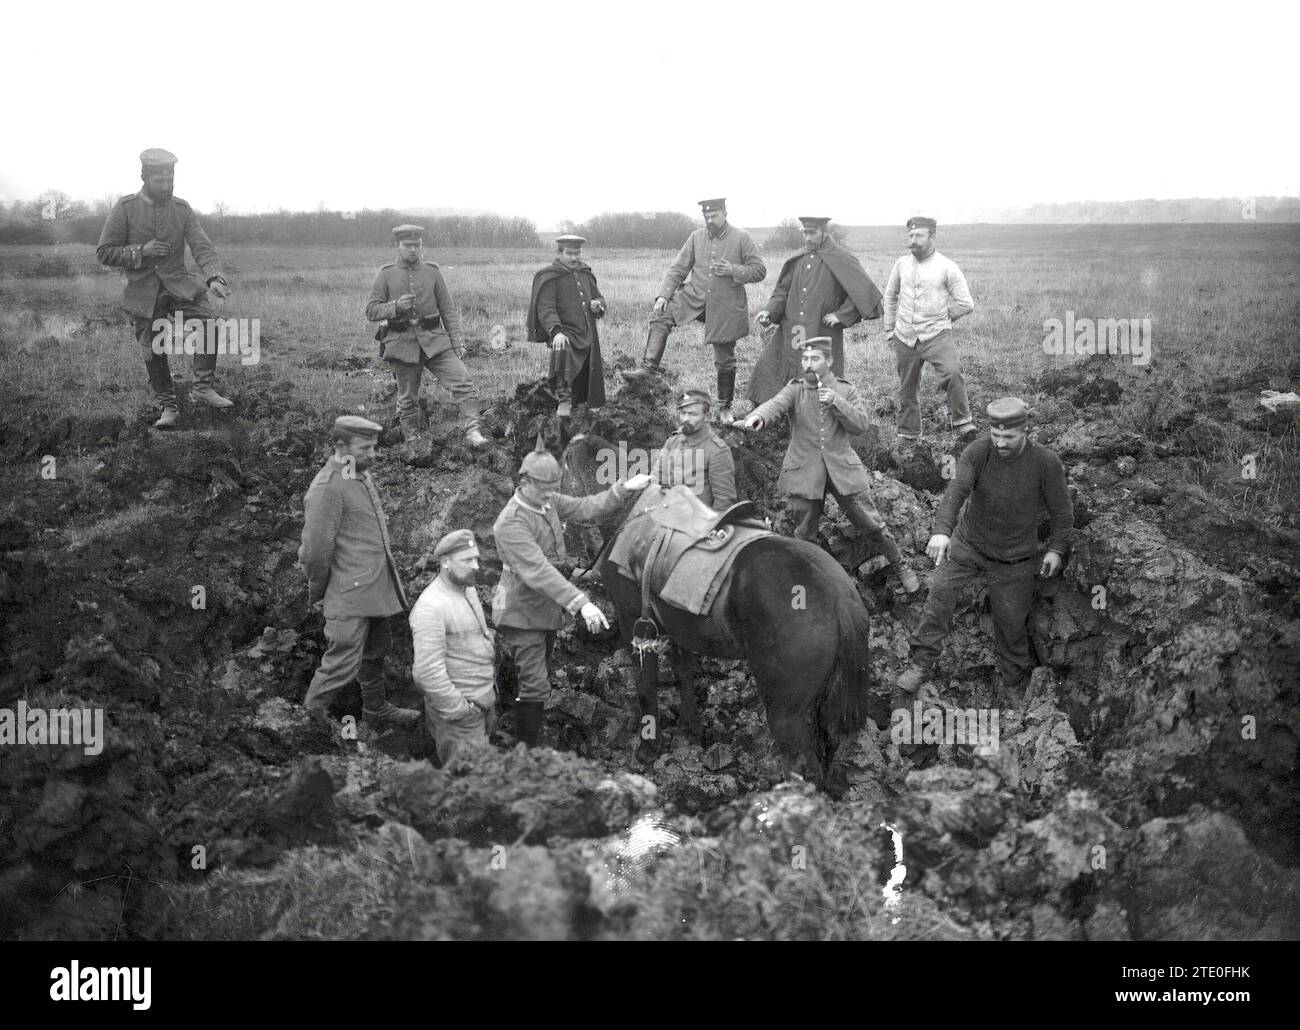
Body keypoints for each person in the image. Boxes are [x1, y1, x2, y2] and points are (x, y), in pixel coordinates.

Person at [897, 398, 1074, 701]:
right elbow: (957, 491)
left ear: (1025, 432)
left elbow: (1063, 512)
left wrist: (1056, 549)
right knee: (939, 593)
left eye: (1009, 437)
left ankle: (1013, 683)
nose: (1001, 443)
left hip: (1015, 559)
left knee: (1011, 625)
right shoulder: (978, 451)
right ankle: (921, 663)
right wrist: (942, 532)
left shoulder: (1045, 462)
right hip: (969, 545)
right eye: (996, 435)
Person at [492, 445, 652, 745]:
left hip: (546, 604)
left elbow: (586, 507)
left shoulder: (546, 501)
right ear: (525, 482)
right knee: (536, 684)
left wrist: (623, 488)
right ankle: (528, 751)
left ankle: (510, 701)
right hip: (520, 609)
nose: (550, 495)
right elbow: (538, 571)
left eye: (554, 489)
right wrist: (582, 604)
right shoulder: (510, 523)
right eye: (545, 489)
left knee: (538, 666)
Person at [741, 338, 918, 593]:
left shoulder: (846, 390)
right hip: (805, 472)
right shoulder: (796, 389)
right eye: (805, 359)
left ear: (829, 361)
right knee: (803, 531)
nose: (809, 364)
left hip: (842, 471)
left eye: (815, 359)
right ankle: (808, 580)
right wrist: (758, 416)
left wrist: (836, 401)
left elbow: (861, 425)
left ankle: (900, 564)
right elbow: (776, 405)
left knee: (870, 523)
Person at [96, 148, 234, 429]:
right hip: (142, 289)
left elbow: (202, 248)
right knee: (153, 347)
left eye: (169, 178)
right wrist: (140, 251)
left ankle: (202, 387)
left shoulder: (182, 210)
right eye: (159, 179)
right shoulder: (125, 208)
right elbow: (104, 253)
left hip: (178, 284)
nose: (166, 184)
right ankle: (168, 407)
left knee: (209, 321)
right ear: (145, 177)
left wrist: (214, 278)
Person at [299, 415, 421, 730]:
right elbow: (314, 552)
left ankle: (376, 709)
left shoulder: (359, 474)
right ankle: (306, 722)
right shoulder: (327, 489)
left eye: (373, 447)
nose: (373, 454)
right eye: (365, 447)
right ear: (341, 446)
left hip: (374, 585)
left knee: (375, 651)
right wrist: (318, 591)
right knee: (341, 663)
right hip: (348, 592)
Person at [624, 198, 766, 412]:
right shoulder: (696, 237)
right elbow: (677, 269)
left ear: (725, 213)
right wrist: (663, 296)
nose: (710, 220)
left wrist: (733, 270)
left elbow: (759, 270)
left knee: (724, 357)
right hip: (694, 298)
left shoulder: (742, 238)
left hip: (726, 305)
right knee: (662, 314)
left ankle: (725, 407)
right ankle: (648, 369)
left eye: (714, 216)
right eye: (706, 217)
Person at [366, 225, 488, 450]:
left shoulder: (432, 272)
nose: (413, 250)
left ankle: (473, 431)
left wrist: (457, 341)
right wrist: (394, 307)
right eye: (407, 246)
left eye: (417, 245)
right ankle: (413, 440)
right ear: (398, 246)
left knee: (463, 382)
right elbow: (371, 311)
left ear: (421, 246)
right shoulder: (386, 274)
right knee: (407, 397)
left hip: (435, 341)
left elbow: (447, 309)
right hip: (402, 343)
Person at [749, 216, 883, 406]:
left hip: (822, 331)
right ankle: (771, 415)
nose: (807, 238)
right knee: (770, 367)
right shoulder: (799, 258)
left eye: (812, 233)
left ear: (825, 232)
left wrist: (841, 315)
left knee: (821, 376)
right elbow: (783, 290)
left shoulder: (841, 257)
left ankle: (820, 419)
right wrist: (769, 312)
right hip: (793, 330)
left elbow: (862, 291)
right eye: (805, 232)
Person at [881, 215, 977, 441]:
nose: (913, 240)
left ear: (932, 236)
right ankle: (908, 434)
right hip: (904, 336)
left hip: (936, 335)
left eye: (919, 235)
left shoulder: (947, 267)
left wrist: (942, 318)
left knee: (952, 374)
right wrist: (889, 329)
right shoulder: (901, 264)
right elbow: (890, 296)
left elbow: (966, 303)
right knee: (907, 386)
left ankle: (963, 424)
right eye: (911, 235)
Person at [409, 529, 497, 764]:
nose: (476, 565)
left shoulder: (467, 589)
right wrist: (460, 710)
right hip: (461, 716)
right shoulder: (431, 607)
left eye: (477, 558)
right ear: (446, 562)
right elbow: (427, 672)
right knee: (468, 786)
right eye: (467, 560)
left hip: (483, 701)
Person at [526, 234, 607, 417]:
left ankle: (589, 404)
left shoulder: (585, 273)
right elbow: (546, 308)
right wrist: (555, 332)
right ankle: (564, 400)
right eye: (569, 253)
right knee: (563, 349)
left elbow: (599, 298)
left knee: (589, 368)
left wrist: (598, 305)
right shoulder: (550, 276)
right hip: (564, 333)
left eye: (577, 253)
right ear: (559, 253)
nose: (574, 258)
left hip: (587, 332)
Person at [651, 389, 737, 510]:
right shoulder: (672, 442)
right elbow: (656, 480)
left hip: (696, 523)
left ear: (707, 417)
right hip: (666, 514)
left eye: (692, 414)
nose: (686, 419)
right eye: (683, 413)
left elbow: (724, 502)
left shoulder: (717, 451)